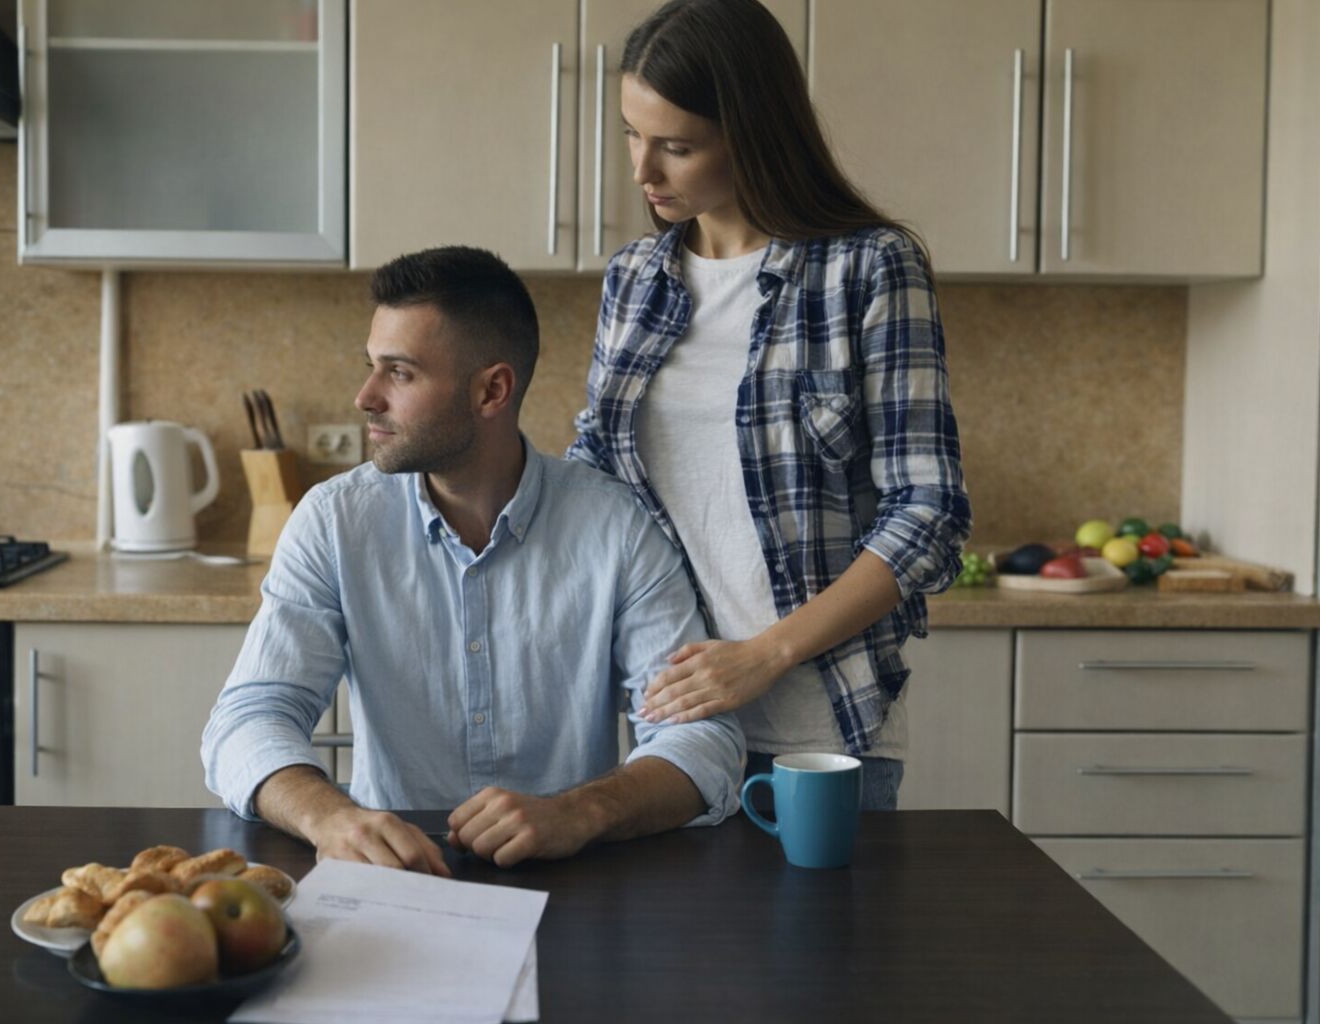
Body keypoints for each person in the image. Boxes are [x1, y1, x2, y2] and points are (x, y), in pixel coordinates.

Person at [202, 245, 744, 873]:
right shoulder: (333, 521)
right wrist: (332, 817)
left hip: (570, 882)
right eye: (372, 366)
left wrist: (577, 812)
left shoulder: (615, 527)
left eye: (399, 373)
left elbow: (704, 741)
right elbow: (248, 718)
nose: (365, 397)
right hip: (391, 881)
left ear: (492, 390)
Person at [568, 0, 971, 811]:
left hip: (822, 726)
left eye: (676, 147)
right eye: (630, 136)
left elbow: (928, 513)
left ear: (751, 132)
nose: (643, 171)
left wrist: (764, 654)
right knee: (670, 942)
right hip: (671, 725)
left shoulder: (870, 268)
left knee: (816, 942)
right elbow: (596, 480)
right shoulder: (634, 279)